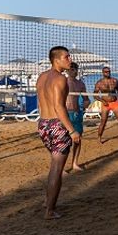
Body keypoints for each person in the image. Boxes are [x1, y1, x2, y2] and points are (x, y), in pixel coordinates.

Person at [36, 46, 82, 220]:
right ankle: (50, 210)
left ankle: (47, 201)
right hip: (57, 125)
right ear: (56, 60)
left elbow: (42, 103)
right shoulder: (61, 79)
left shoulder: (41, 77)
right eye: (66, 57)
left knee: (54, 166)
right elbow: (59, 107)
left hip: (43, 124)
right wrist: (72, 130)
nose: (70, 60)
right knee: (56, 169)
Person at [95, 66, 118, 144]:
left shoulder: (114, 81)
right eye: (106, 72)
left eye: (109, 71)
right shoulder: (99, 83)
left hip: (114, 103)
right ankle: (99, 138)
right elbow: (95, 95)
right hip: (105, 104)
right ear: (103, 73)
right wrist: (102, 101)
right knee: (103, 122)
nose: (108, 73)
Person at [64, 62, 89, 172]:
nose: (74, 71)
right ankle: (62, 167)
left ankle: (74, 163)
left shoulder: (81, 84)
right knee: (64, 141)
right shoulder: (63, 82)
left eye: (75, 69)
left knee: (78, 140)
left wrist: (86, 103)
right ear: (67, 70)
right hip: (65, 113)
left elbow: (86, 99)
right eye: (71, 69)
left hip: (77, 113)